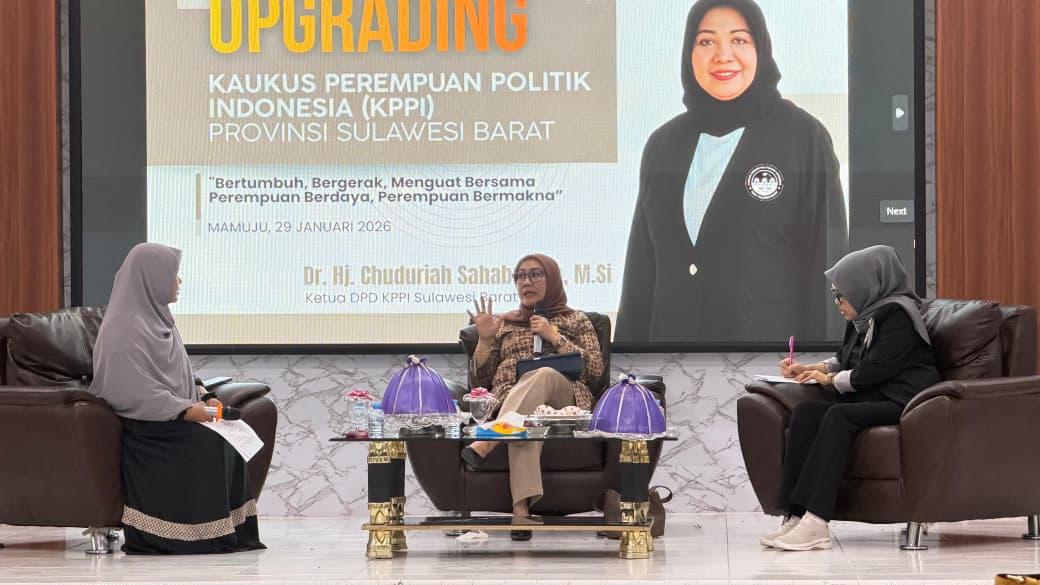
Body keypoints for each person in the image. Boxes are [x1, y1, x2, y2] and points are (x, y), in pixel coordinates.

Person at [616, 0, 848, 344]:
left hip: (768, 363)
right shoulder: (663, 144)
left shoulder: (802, 136)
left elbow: (827, 264)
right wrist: (627, 360)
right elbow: (641, 270)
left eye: (739, 39)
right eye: (706, 41)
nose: (722, 55)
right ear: (689, 52)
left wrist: (827, 361)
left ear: (761, 48)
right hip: (672, 360)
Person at [760, 245, 941, 551]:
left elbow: (874, 370)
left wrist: (829, 380)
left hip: (904, 400)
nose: (838, 303)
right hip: (876, 394)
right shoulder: (866, 314)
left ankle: (817, 521)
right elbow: (846, 358)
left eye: (841, 295)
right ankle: (796, 514)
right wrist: (814, 368)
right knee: (805, 413)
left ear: (864, 288)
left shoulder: (898, 315)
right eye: (835, 295)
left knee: (838, 416)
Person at [89, 243, 264, 554]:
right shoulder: (123, 329)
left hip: (171, 416)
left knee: (229, 436)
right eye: (173, 274)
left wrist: (205, 397)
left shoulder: (159, 320)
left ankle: (233, 531)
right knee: (210, 441)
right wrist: (185, 410)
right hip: (147, 427)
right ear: (151, 279)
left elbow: (180, 374)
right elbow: (130, 389)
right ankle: (188, 535)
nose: (179, 281)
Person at [461, 254, 605, 540]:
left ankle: (489, 439)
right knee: (522, 420)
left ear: (552, 279)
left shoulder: (577, 320)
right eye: (520, 276)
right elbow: (480, 382)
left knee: (542, 374)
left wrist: (555, 337)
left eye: (535, 274)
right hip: (511, 400)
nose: (526, 282)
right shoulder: (504, 324)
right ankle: (521, 511)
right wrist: (485, 341)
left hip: (564, 400)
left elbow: (595, 370)